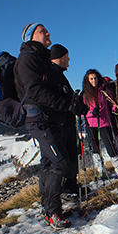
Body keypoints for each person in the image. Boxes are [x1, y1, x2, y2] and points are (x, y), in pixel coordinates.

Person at [14, 23, 86, 229]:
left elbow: (56, 90)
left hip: (51, 120)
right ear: (30, 37)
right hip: (40, 120)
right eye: (42, 31)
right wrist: (67, 104)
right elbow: (35, 92)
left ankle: (50, 208)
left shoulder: (41, 59)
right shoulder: (27, 59)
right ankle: (52, 212)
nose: (48, 33)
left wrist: (73, 103)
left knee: (49, 164)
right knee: (60, 163)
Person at [50, 44, 80, 199]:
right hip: (59, 124)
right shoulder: (51, 74)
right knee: (63, 159)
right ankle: (64, 190)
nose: (69, 59)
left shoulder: (60, 74)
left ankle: (72, 185)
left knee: (71, 153)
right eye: (67, 56)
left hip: (67, 124)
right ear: (61, 57)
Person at [82, 69, 118, 179]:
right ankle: (101, 171)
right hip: (91, 124)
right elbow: (83, 112)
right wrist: (91, 112)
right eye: (91, 79)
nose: (93, 80)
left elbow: (111, 103)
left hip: (105, 123)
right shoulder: (85, 94)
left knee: (111, 147)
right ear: (88, 80)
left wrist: (115, 108)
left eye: (95, 78)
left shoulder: (105, 90)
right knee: (95, 149)